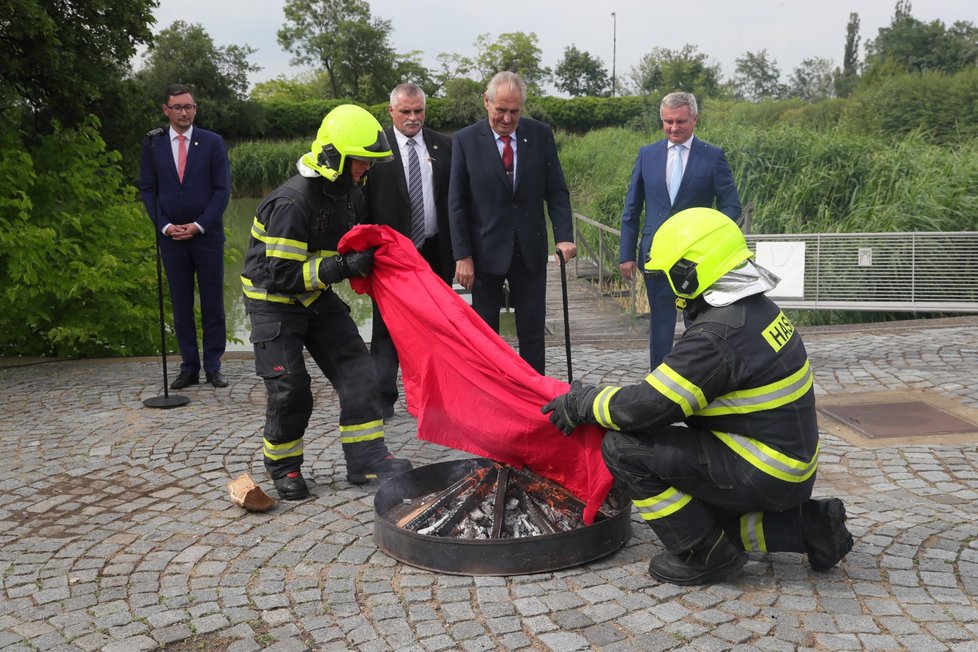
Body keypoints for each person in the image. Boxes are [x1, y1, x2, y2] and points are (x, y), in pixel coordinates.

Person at [543, 207, 852, 585]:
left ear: (689, 275)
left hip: (764, 470)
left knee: (624, 449)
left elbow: (646, 407)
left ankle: (705, 554)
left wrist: (581, 402)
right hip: (785, 464)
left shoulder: (716, 337)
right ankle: (810, 528)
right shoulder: (756, 310)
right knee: (703, 510)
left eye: (670, 275)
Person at [240, 104, 413, 501]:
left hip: (314, 295)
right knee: (291, 388)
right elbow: (282, 276)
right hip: (274, 301)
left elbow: (344, 241)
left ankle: (367, 460)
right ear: (335, 157)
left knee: (361, 371)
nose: (366, 169)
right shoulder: (291, 203)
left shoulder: (345, 191)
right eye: (361, 161)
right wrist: (341, 267)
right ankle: (284, 466)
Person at [449, 71, 577, 375]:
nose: (507, 118)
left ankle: (535, 394)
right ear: (486, 101)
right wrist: (462, 255)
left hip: (529, 249)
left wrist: (563, 236)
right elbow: (457, 203)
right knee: (485, 336)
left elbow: (556, 190)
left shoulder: (540, 134)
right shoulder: (465, 140)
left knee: (532, 331)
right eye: (501, 110)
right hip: (484, 252)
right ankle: (492, 395)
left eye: (515, 111)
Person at [620, 91, 741, 371]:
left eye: (680, 121)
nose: (673, 128)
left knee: (697, 323)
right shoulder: (646, 155)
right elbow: (632, 207)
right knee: (660, 324)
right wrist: (626, 254)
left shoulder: (713, 157)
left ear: (695, 120)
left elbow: (731, 206)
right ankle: (660, 387)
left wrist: (712, 240)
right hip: (656, 255)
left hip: (698, 259)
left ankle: (698, 379)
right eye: (668, 122)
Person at [366, 83, 454, 417]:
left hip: (435, 250)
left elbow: (456, 201)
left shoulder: (445, 145)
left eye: (419, 111)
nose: (413, 118)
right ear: (391, 112)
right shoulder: (375, 148)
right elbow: (364, 204)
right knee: (386, 328)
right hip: (391, 255)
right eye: (406, 111)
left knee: (436, 327)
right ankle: (383, 398)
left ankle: (435, 398)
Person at [139, 83, 231, 389]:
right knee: (180, 304)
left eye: (189, 107)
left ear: (195, 109)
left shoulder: (212, 142)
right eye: (177, 107)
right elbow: (149, 190)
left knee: (212, 302)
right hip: (171, 239)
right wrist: (164, 226)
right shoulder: (153, 144)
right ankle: (189, 366)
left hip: (206, 236)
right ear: (166, 110)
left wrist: (199, 224)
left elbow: (222, 191)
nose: (184, 113)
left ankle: (214, 365)